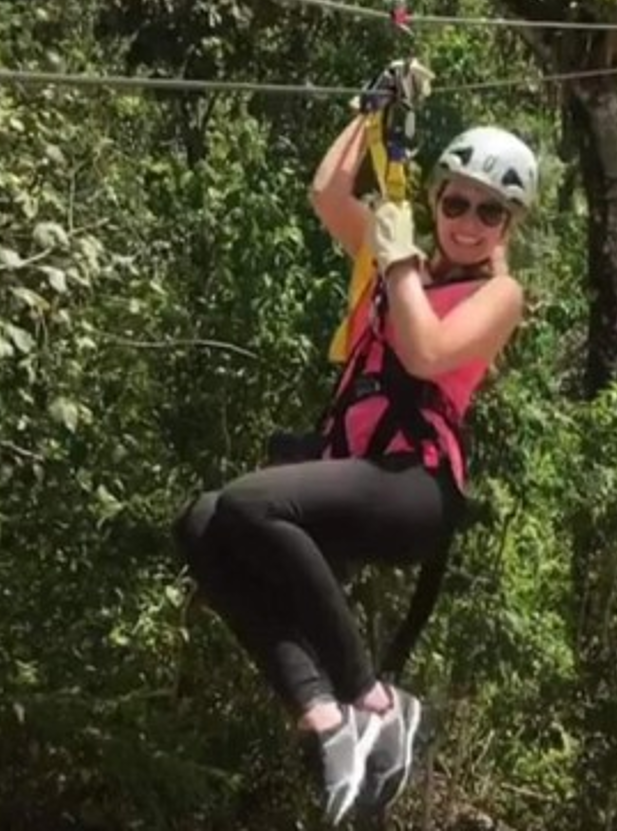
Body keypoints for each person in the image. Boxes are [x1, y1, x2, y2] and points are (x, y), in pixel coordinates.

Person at [172, 82, 539, 825]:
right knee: (202, 522)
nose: (469, 223)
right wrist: (371, 111)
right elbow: (329, 194)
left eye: (490, 212)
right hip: (360, 470)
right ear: (437, 199)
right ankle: (322, 715)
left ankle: (374, 700)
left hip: (416, 487)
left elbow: (427, 352)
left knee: (249, 503)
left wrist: (398, 260)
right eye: (458, 203)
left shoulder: (498, 296)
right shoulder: (400, 261)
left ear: (510, 225)